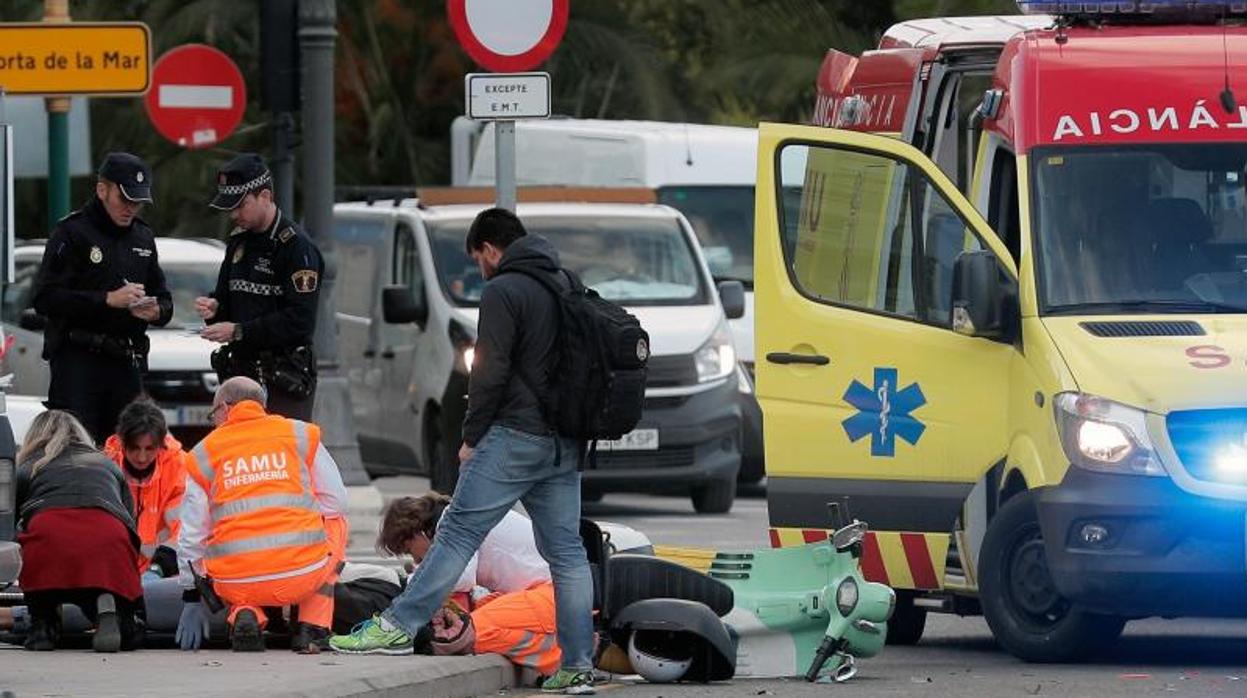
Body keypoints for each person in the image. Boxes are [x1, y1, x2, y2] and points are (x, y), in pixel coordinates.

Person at [329, 208, 597, 695]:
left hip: (516, 434)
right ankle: (578, 664)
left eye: (479, 260)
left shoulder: (504, 290)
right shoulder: (566, 282)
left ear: (490, 249)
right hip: (565, 441)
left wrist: (472, 437)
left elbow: (489, 370)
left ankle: (397, 625)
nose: (482, 270)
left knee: (455, 532)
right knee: (567, 553)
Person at [175, 377, 348, 653]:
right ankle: (311, 627)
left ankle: (248, 612)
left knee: (218, 530)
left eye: (212, 415)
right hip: (301, 575)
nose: (213, 421)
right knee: (337, 522)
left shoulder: (202, 454)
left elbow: (192, 534)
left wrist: (191, 595)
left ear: (223, 408)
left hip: (233, 583)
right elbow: (337, 502)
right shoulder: (299, 434)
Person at [32, 152, 173, 443]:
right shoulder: (71, 233)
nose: (130, 208)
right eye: (124, 199)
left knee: (129, 449)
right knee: (77, 448)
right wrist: (106, 300)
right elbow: (46, 298)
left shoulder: (143, 237)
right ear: (102, 190)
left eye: (137, 202)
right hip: (79, 362)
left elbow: (164, 299)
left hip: (126, 363)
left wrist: (155, 310)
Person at [194, 153, 324, 421]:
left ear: (265, 196)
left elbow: (299, 320)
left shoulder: (296, 247)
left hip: (283, 378)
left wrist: (240, 330)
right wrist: (214, 308)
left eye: (241, 205)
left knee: (281, 453)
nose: (234, 214)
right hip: (242, 376)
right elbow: (226, 300)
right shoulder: (239, 242)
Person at [13, 410, 143, 652]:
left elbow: (8, 525)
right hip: (108, 535)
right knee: (128, 631)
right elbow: (129, 521)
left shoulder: (27, 467)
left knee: (38, 555)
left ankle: (43, 627)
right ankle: (108, 609)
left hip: (49, 536)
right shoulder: (107, 464)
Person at [102, 398, 187, 579]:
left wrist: (160, 567)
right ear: (122, 442)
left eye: (149, 449)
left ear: (161, 445)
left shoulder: (180, 467)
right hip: (116, 573)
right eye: (134, 448)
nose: (142, 457)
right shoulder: (105, 468)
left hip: (165, 572)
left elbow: (186, 529)